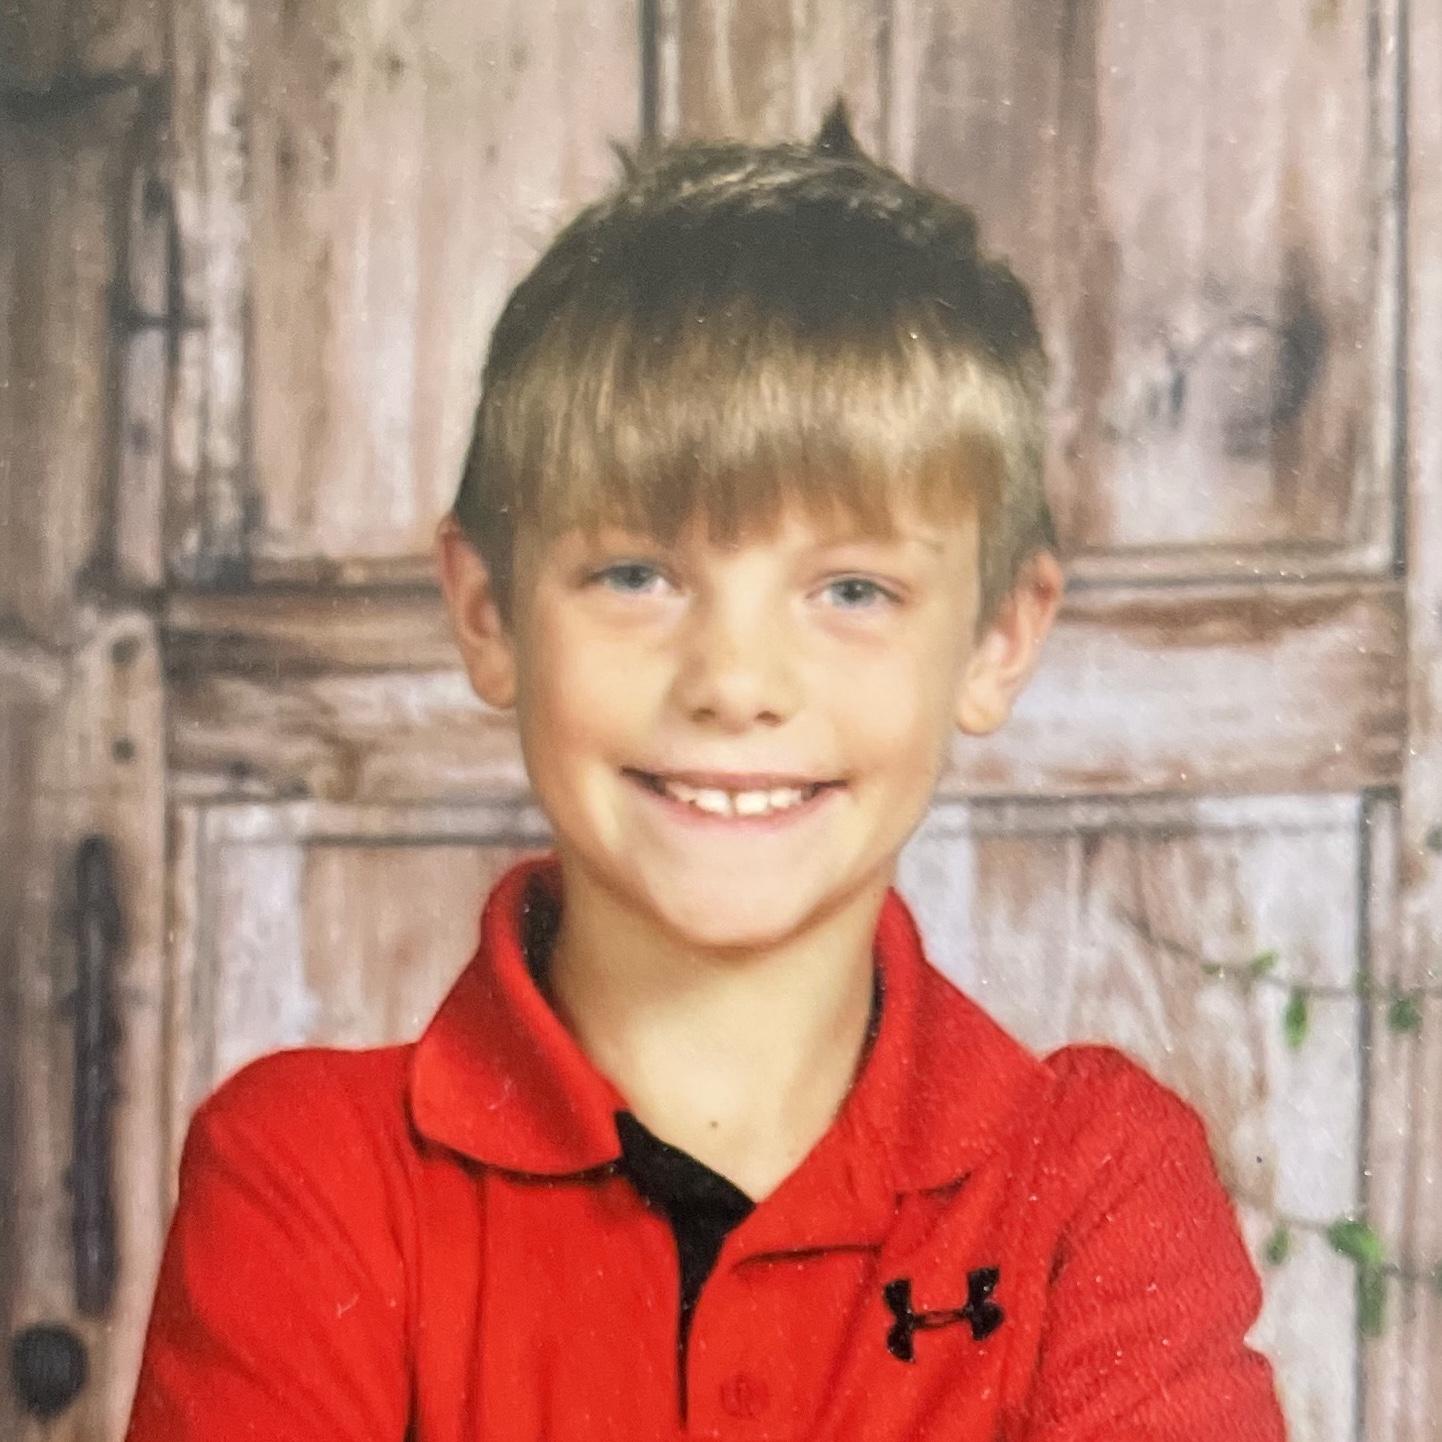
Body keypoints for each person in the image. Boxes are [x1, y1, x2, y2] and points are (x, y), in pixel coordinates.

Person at [124, 102, 1288, 1441]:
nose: (735, 681)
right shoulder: (308, 1174)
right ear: (487, 611)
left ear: (996, 640)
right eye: (637, 574)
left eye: (851, 589)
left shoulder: (1091, 1187)